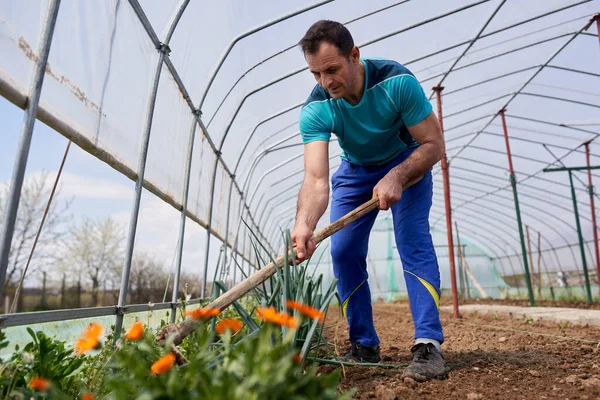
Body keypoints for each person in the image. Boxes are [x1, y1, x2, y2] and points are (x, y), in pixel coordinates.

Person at [291, 20, 448, 382]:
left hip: (407, 161)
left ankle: (429, 346)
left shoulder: (397, 83)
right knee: (342, 252)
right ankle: (363, 343)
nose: (326, 82)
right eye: (316, 74)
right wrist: (304, 223)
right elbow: (315, 179)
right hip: (356, 171)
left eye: (332, 69)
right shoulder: (317, 108)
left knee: (413, 242)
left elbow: (433, 145)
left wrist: (396, 176)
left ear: (354, 55)